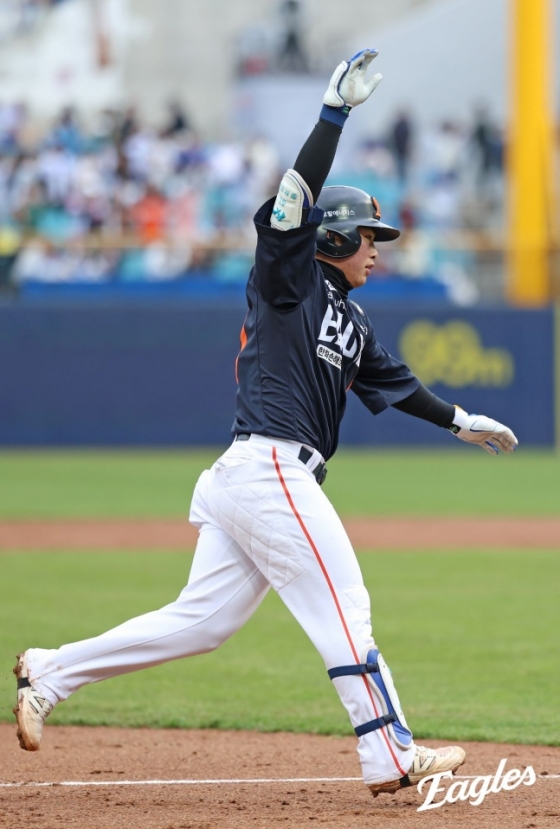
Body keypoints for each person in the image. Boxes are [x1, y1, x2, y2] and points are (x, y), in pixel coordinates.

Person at [14, 49, 518, 801]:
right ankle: (389, 752)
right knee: (345, 605)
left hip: (252, 478)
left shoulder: (351, 319)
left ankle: (50, 671)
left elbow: (396, 382)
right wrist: (332, 116)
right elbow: (291, 199)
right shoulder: (289, 279)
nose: (377, 250)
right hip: (271, 469)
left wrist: (460, 421)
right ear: (333, 239)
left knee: (201, 624)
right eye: (368, 237)